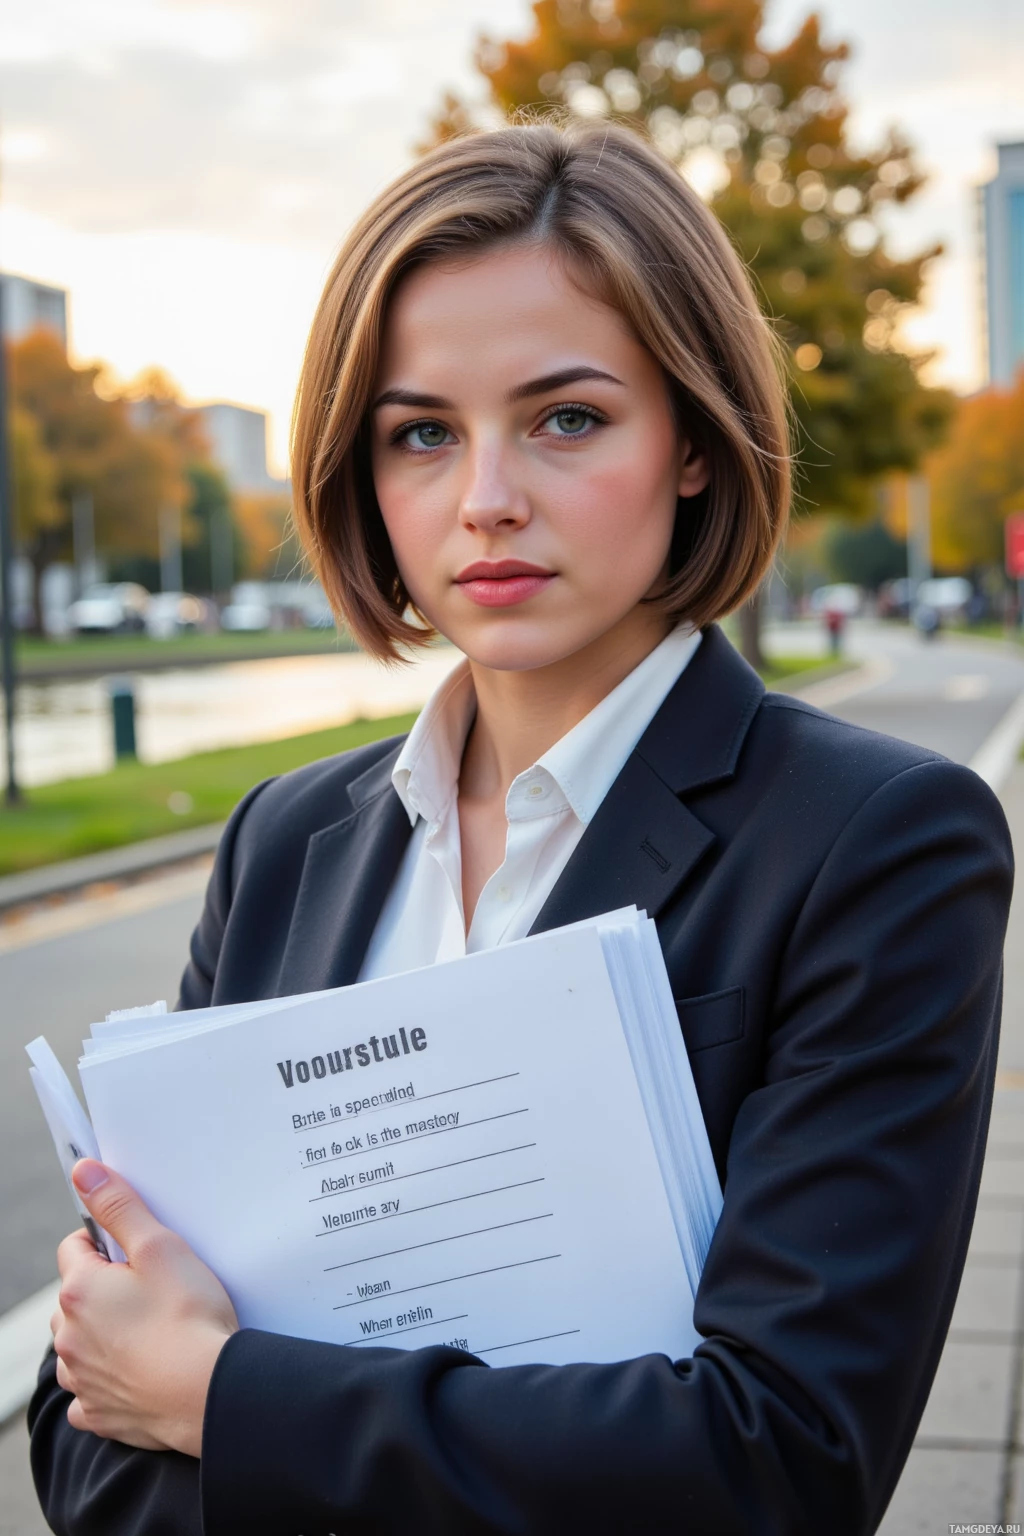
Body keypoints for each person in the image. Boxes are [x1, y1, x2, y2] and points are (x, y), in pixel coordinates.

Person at [30, 121, 1013, 1536]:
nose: (486, 499)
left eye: (568, 418)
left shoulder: (881, 843)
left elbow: (778, 1463)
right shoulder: (283, 839)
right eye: (421, 433)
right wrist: (176, 1392)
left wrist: (227, 1399)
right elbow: (90, 1426)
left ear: (691, 439)